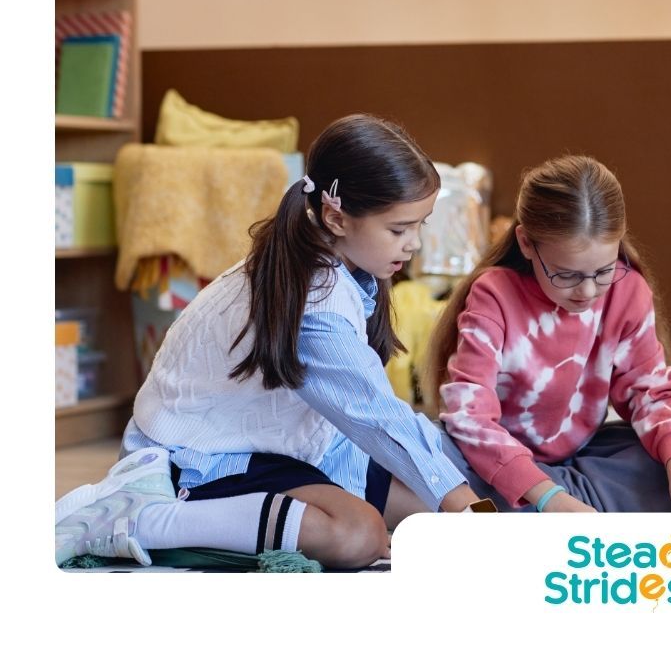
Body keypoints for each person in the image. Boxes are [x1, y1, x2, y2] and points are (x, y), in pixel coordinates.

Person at [56, 114, 485, 571]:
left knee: (430, 500)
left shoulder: (345, 262)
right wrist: (462, 503)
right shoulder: (312, 299)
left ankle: (246, 518)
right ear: (337, 217)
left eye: (420, 225)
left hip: (280, 444)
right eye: (399, 229)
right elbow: (373, 412)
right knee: (358, 536)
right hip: (201, 456)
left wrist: (452, 492)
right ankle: (140, 519)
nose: (413, 244)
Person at [427, 155, 671, 512]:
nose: (588, 292)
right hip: (498, 467)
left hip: (581, 458)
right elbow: (469, 417)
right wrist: (550, 497)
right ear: (526, 243)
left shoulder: (628, 289)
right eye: (567, 275)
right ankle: (567, 502)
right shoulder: (494, 294)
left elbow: (651, 391)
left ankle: (563, 503)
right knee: (427, 454)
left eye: (603, 271)